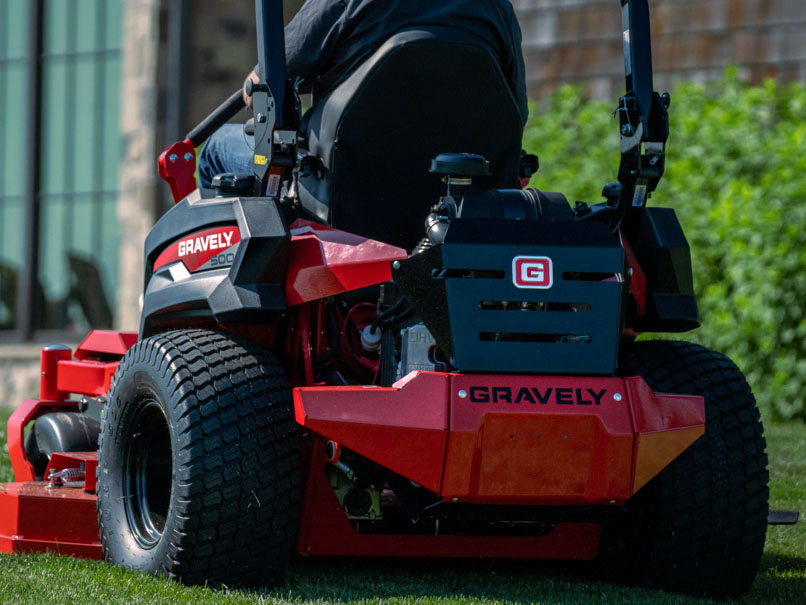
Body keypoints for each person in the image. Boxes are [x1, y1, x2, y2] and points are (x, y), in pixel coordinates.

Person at [198, 0, 528, 188]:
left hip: (345, 182)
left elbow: (263, 83)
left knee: (215, 148)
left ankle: (245, 295)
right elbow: (515, 113)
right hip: (459, 190)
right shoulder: (497, 7)